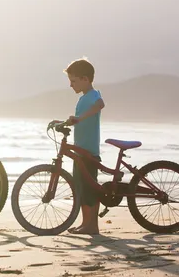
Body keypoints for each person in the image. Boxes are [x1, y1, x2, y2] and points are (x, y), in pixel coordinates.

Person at [62, 58, 105, 235]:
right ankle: (85, 223)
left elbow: (100, 105)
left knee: (90, 189)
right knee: (80, 187)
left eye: (73, 81)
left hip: (89, 152)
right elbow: (79, 119)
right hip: (80, 150)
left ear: (85, 79)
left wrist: (80, 118)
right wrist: (64, 122)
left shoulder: (93, 96)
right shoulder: (82, 99)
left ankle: (92, 225)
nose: (71, 85)